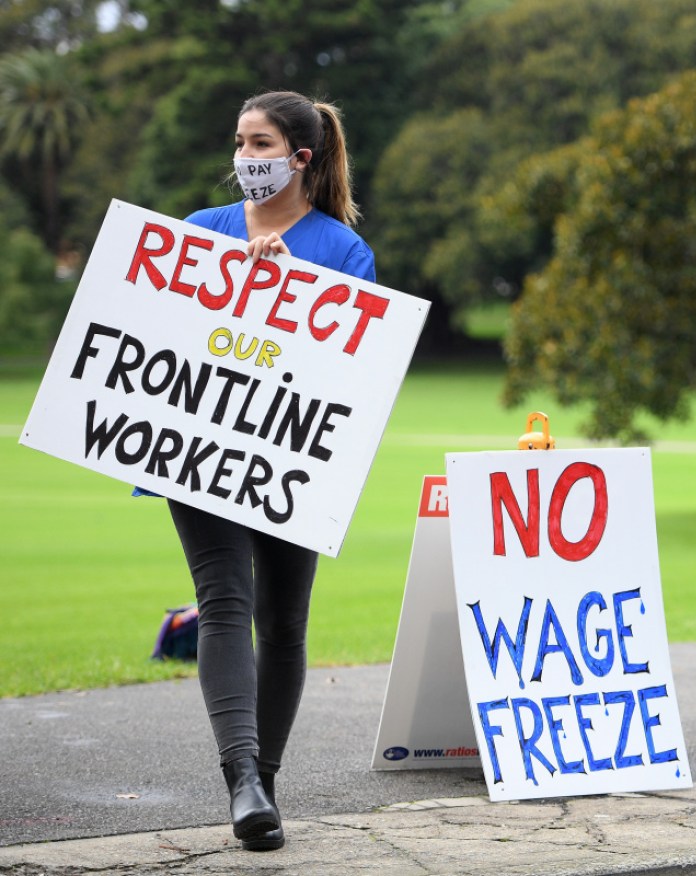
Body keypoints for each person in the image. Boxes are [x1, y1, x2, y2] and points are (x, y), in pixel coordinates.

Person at [169, 90, 375, 849]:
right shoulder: (196, 235)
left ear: (300, 158)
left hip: (294, 458)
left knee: (282, 622)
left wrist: (294, 288)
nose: (244, 159)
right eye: (239, 143)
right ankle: (243, 782)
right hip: (201, 448)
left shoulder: (343, 252)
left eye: (260, 145)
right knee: (223, 600)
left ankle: (266, 777)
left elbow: (353, 369)